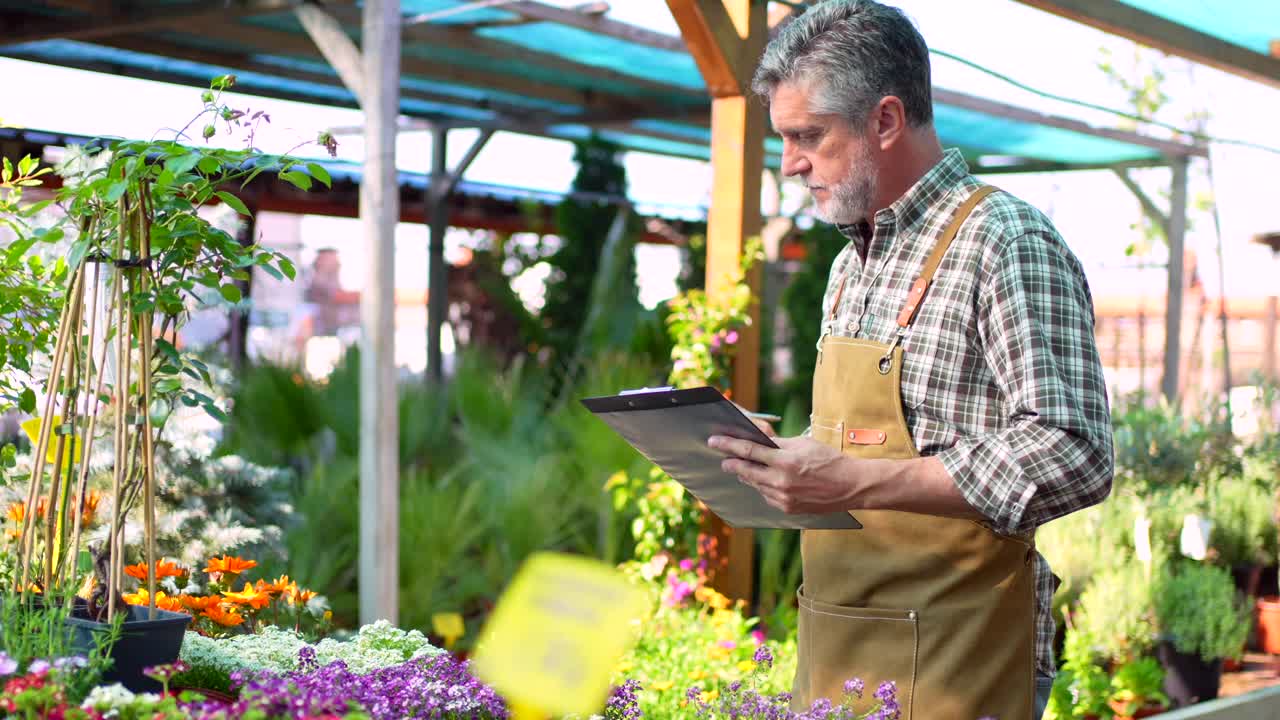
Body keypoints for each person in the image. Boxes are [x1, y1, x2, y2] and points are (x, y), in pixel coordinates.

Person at [708, 2, 1114, 718]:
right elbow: (864, 458)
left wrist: (856, 481)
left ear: (886, 121)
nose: (791, 163)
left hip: (957, 658)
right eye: (784, 138)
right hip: (838, 643)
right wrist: (778, 459)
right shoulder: (849, 266)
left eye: (808, 136)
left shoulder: (1004, 240)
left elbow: (1073, 452)